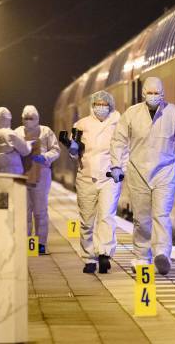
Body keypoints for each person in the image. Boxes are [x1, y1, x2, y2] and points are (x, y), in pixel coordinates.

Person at [109, 76, 175, 275]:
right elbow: (118, 140)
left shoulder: (173, 114)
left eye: (157, 93)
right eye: (151, 93)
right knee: (142, 218)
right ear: (143, 93)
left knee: (161, 214)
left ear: (163, 93)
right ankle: (141, 256)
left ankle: (162, 253)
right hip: (138, 173)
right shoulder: (131, 114)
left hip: (165, 173)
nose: (154, 96)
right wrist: (116, 166)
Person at [69, 91, 122, 274]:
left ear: (110, 105)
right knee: (86, 221)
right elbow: (73, 150)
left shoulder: (118, 123)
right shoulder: (81, 124)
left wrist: (120, 168)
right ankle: (89, 257)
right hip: (86, 177)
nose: (101, 107)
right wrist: (73, 148)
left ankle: (104, 254)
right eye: (98, 104)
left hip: (109, 177)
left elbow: (124, 148)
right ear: (92, 106)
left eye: (104, 104)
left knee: (106, 216)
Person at [15, 105, 60, 255]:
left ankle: (40, 242)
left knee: (40, 211)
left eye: (31, 118)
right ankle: (27, 241)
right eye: (25, 118)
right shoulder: (17, 133)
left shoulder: (46, 132)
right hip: (21, 175)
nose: (28, 121)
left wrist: (45, 157)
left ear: (37, 118)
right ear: (22, 118)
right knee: (25, 211)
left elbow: (56, 150)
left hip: (41, 175)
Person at [0, 107, 32, 174]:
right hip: (12, 172)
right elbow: (25, 151)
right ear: (7, 119)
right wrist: (29, 143)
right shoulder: (10, 134)